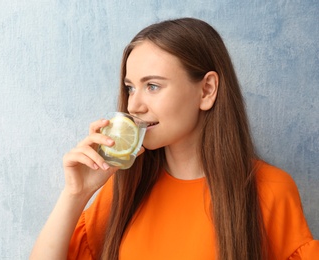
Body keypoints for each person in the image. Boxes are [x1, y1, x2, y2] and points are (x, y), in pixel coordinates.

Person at [30, 18, 319, 260]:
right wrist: (76, 193)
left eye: (153, 86)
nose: (133, 106)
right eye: (130, 88)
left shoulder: (270, 191)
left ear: (207, 90)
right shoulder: (123, 189)